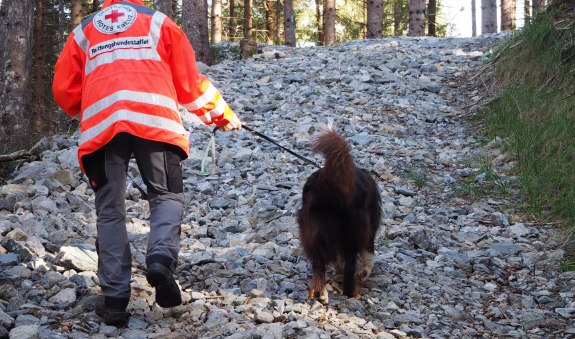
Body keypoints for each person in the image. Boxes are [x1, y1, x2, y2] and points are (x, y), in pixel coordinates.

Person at [52, 0, 241, 326]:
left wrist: (95, 104)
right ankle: (160, 259)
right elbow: (188, 82)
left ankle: (114, 301)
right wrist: (220, 114)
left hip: (103, 127)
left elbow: (64, 91)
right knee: (166, 195)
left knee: (110, 211)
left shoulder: (84, 32)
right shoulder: (158, 23)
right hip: (154, 122)